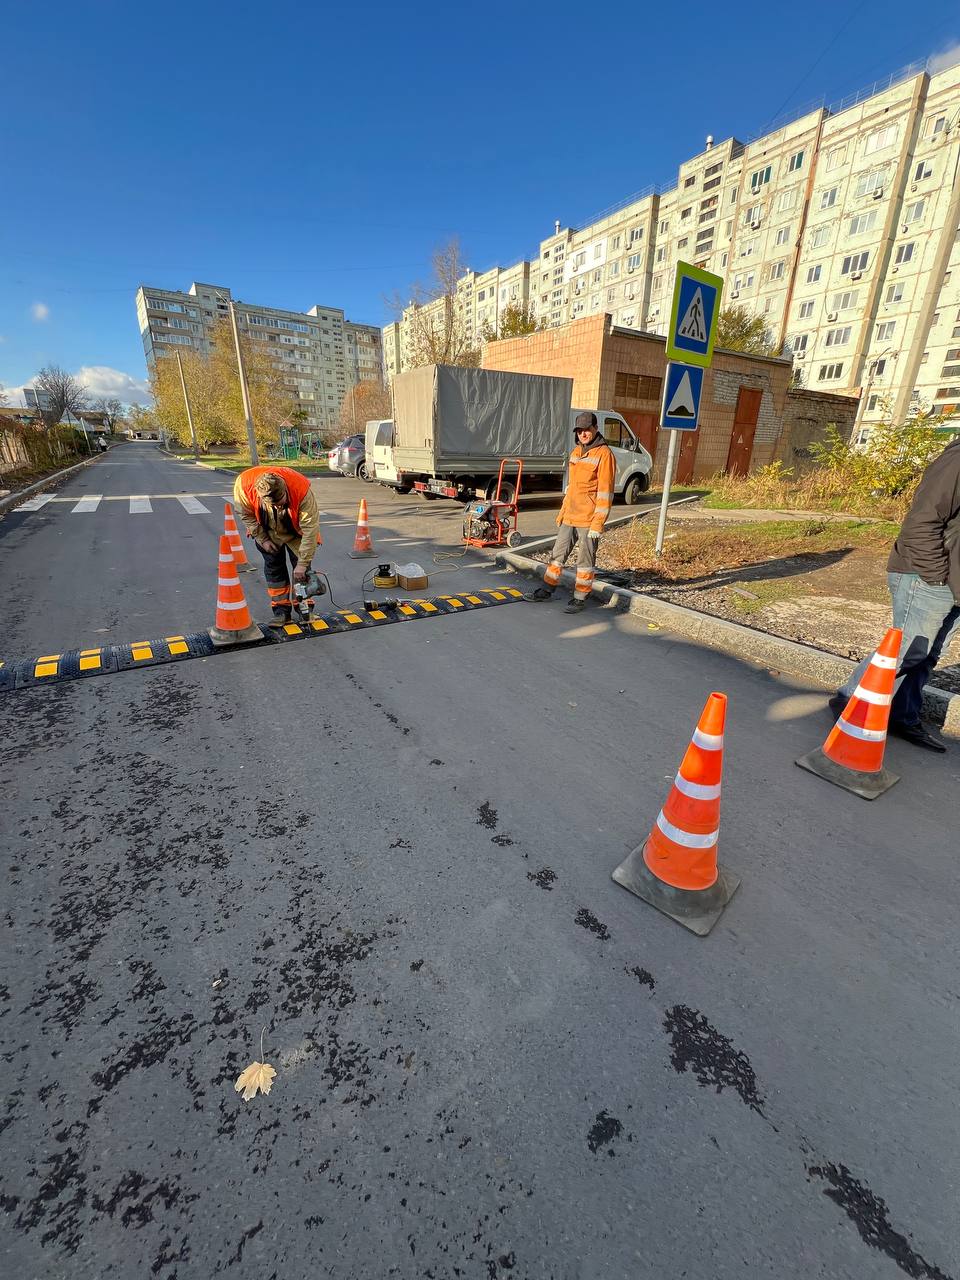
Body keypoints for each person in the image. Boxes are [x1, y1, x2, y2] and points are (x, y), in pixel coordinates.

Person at [833, 438, 960, 752]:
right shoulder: (957, 460)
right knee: (907, 651)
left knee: (928, 655)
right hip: (929, 576)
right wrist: (936, 576)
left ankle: (901, 716)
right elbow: (922, 522)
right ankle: (850, 703)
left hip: (952, 583)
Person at [530, 411, 616, 614]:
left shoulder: (604, 455)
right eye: (579, 431)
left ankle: (580, 598)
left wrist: (597, 523)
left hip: (588, 519)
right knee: (557, 555)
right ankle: (547, 589)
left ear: (596, 429)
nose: (583, 434)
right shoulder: (576, 452)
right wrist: (562, 513)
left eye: (587, 430)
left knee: (584, 562)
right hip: (570, 515)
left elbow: (606, 492)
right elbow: (572, 488)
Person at [233, 466, 322, 628]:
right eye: (273, 505)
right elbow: (246, 515)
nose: (278, 507)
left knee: (301, 571)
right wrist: (263, 539)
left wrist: (302, 564)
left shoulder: (301, 490)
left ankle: (304, 607)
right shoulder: (244, 485)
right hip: (268, 529)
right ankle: (281, 611)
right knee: (274, 568)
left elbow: (310, 529)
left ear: (285, 491)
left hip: (296, 531)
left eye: (280, 503)